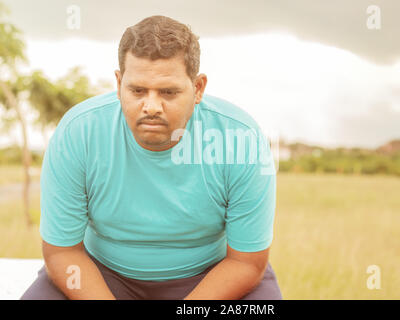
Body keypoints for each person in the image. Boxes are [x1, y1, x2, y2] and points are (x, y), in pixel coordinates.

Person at [21, 15, 282, 300]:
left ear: (198, 89)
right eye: (137, 90)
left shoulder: (240, 140)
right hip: (99, 278)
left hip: (212, 280)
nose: (152, 106)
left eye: (168, 92)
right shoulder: (78, 132)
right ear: (119, 83)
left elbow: (246, 262)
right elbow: (62, 252)